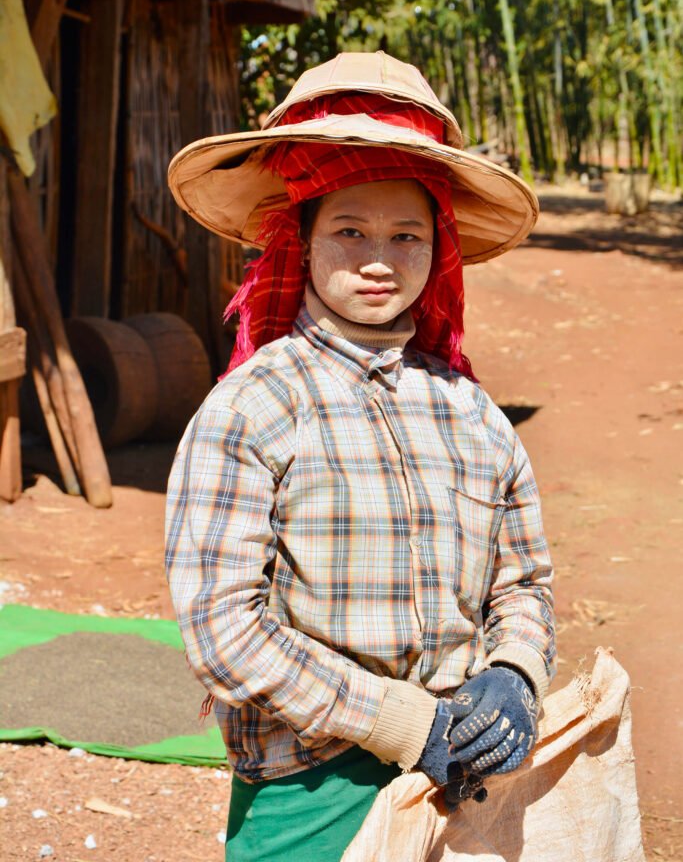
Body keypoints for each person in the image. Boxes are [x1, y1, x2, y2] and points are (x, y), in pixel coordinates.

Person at [165, 52, 555, 862]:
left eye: (405, 234)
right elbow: (222, 629)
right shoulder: (251, 409)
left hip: (463, 779)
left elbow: (522, 582)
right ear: (299, 238)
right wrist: (405, 723)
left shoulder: (471, 413)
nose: (379, 258)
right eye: (349, 230)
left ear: (436, 247)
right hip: (310, 787)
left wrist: (514, 674)